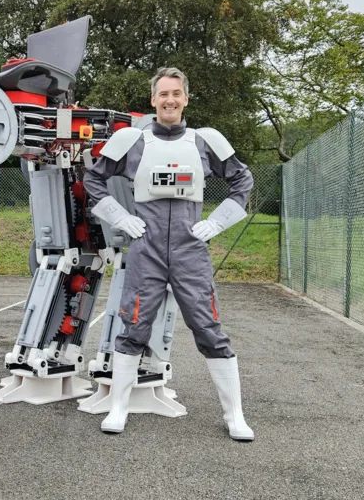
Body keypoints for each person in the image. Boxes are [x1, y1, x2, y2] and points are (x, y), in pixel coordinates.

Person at [83, 67, 255, 440]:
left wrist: (219, 221)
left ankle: (235, 416)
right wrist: (119, 217)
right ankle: (118, 407)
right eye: (163, 94)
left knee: (209, 328)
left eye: (176, 93)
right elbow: (93, 179)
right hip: (147, 245)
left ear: (186, 99)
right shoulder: (132, 140)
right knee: (133, 326)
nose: (170, 100)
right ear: (153, 100)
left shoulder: (205, 141)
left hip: (190, 247)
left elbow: (243, 180)